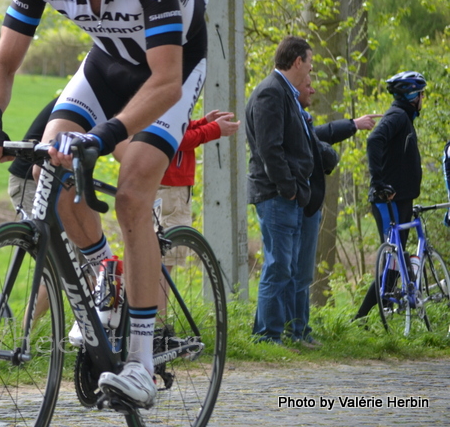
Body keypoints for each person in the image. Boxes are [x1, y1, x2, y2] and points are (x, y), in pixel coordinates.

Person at [0, 0, 208, 408]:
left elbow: (165, 80)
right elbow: (2, 64)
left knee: (132, 190)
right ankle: (108, 273)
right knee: (46, 169)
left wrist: (107, 136)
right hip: (107, 62)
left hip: (172, 67)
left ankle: (142, 364)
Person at [292, 75, 380, 344]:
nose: (314, 89)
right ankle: (283, 331)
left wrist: (353, 124)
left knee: (302, 271)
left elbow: (322, 133)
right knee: (286, 269)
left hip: (308, 201)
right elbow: (318, 138)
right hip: (296, 198)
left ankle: (299, 329)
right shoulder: (289, 111)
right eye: (308, 85)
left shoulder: (301, 115)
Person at [245, 35, 313, 345]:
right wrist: (288, 188)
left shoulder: (284, 93)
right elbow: (269, 148)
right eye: (309, 63)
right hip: (275, 195)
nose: (309, 69)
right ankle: (266, 335)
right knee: (278, 265)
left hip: (289, 195)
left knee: (287, 266)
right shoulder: (270, 94)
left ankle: (281, 331)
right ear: (297, 61)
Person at [353, 71, 426, 321]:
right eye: (421, 94)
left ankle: (372, 316)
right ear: (412, 96)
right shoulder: (397, 116)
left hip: (401, 199)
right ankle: (361, 317)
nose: (423, 99)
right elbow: (374, 140)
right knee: (393, 260)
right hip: (389, 200)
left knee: (396, 261)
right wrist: (379, 182)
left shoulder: (404, 118)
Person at [156, 110, 240, 230]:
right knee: (176, 244)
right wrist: (213, 129)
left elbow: (175, 127)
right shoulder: (164, 97)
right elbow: (174, 137)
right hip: (171, 187)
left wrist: (203, 123)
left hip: (167, 185)